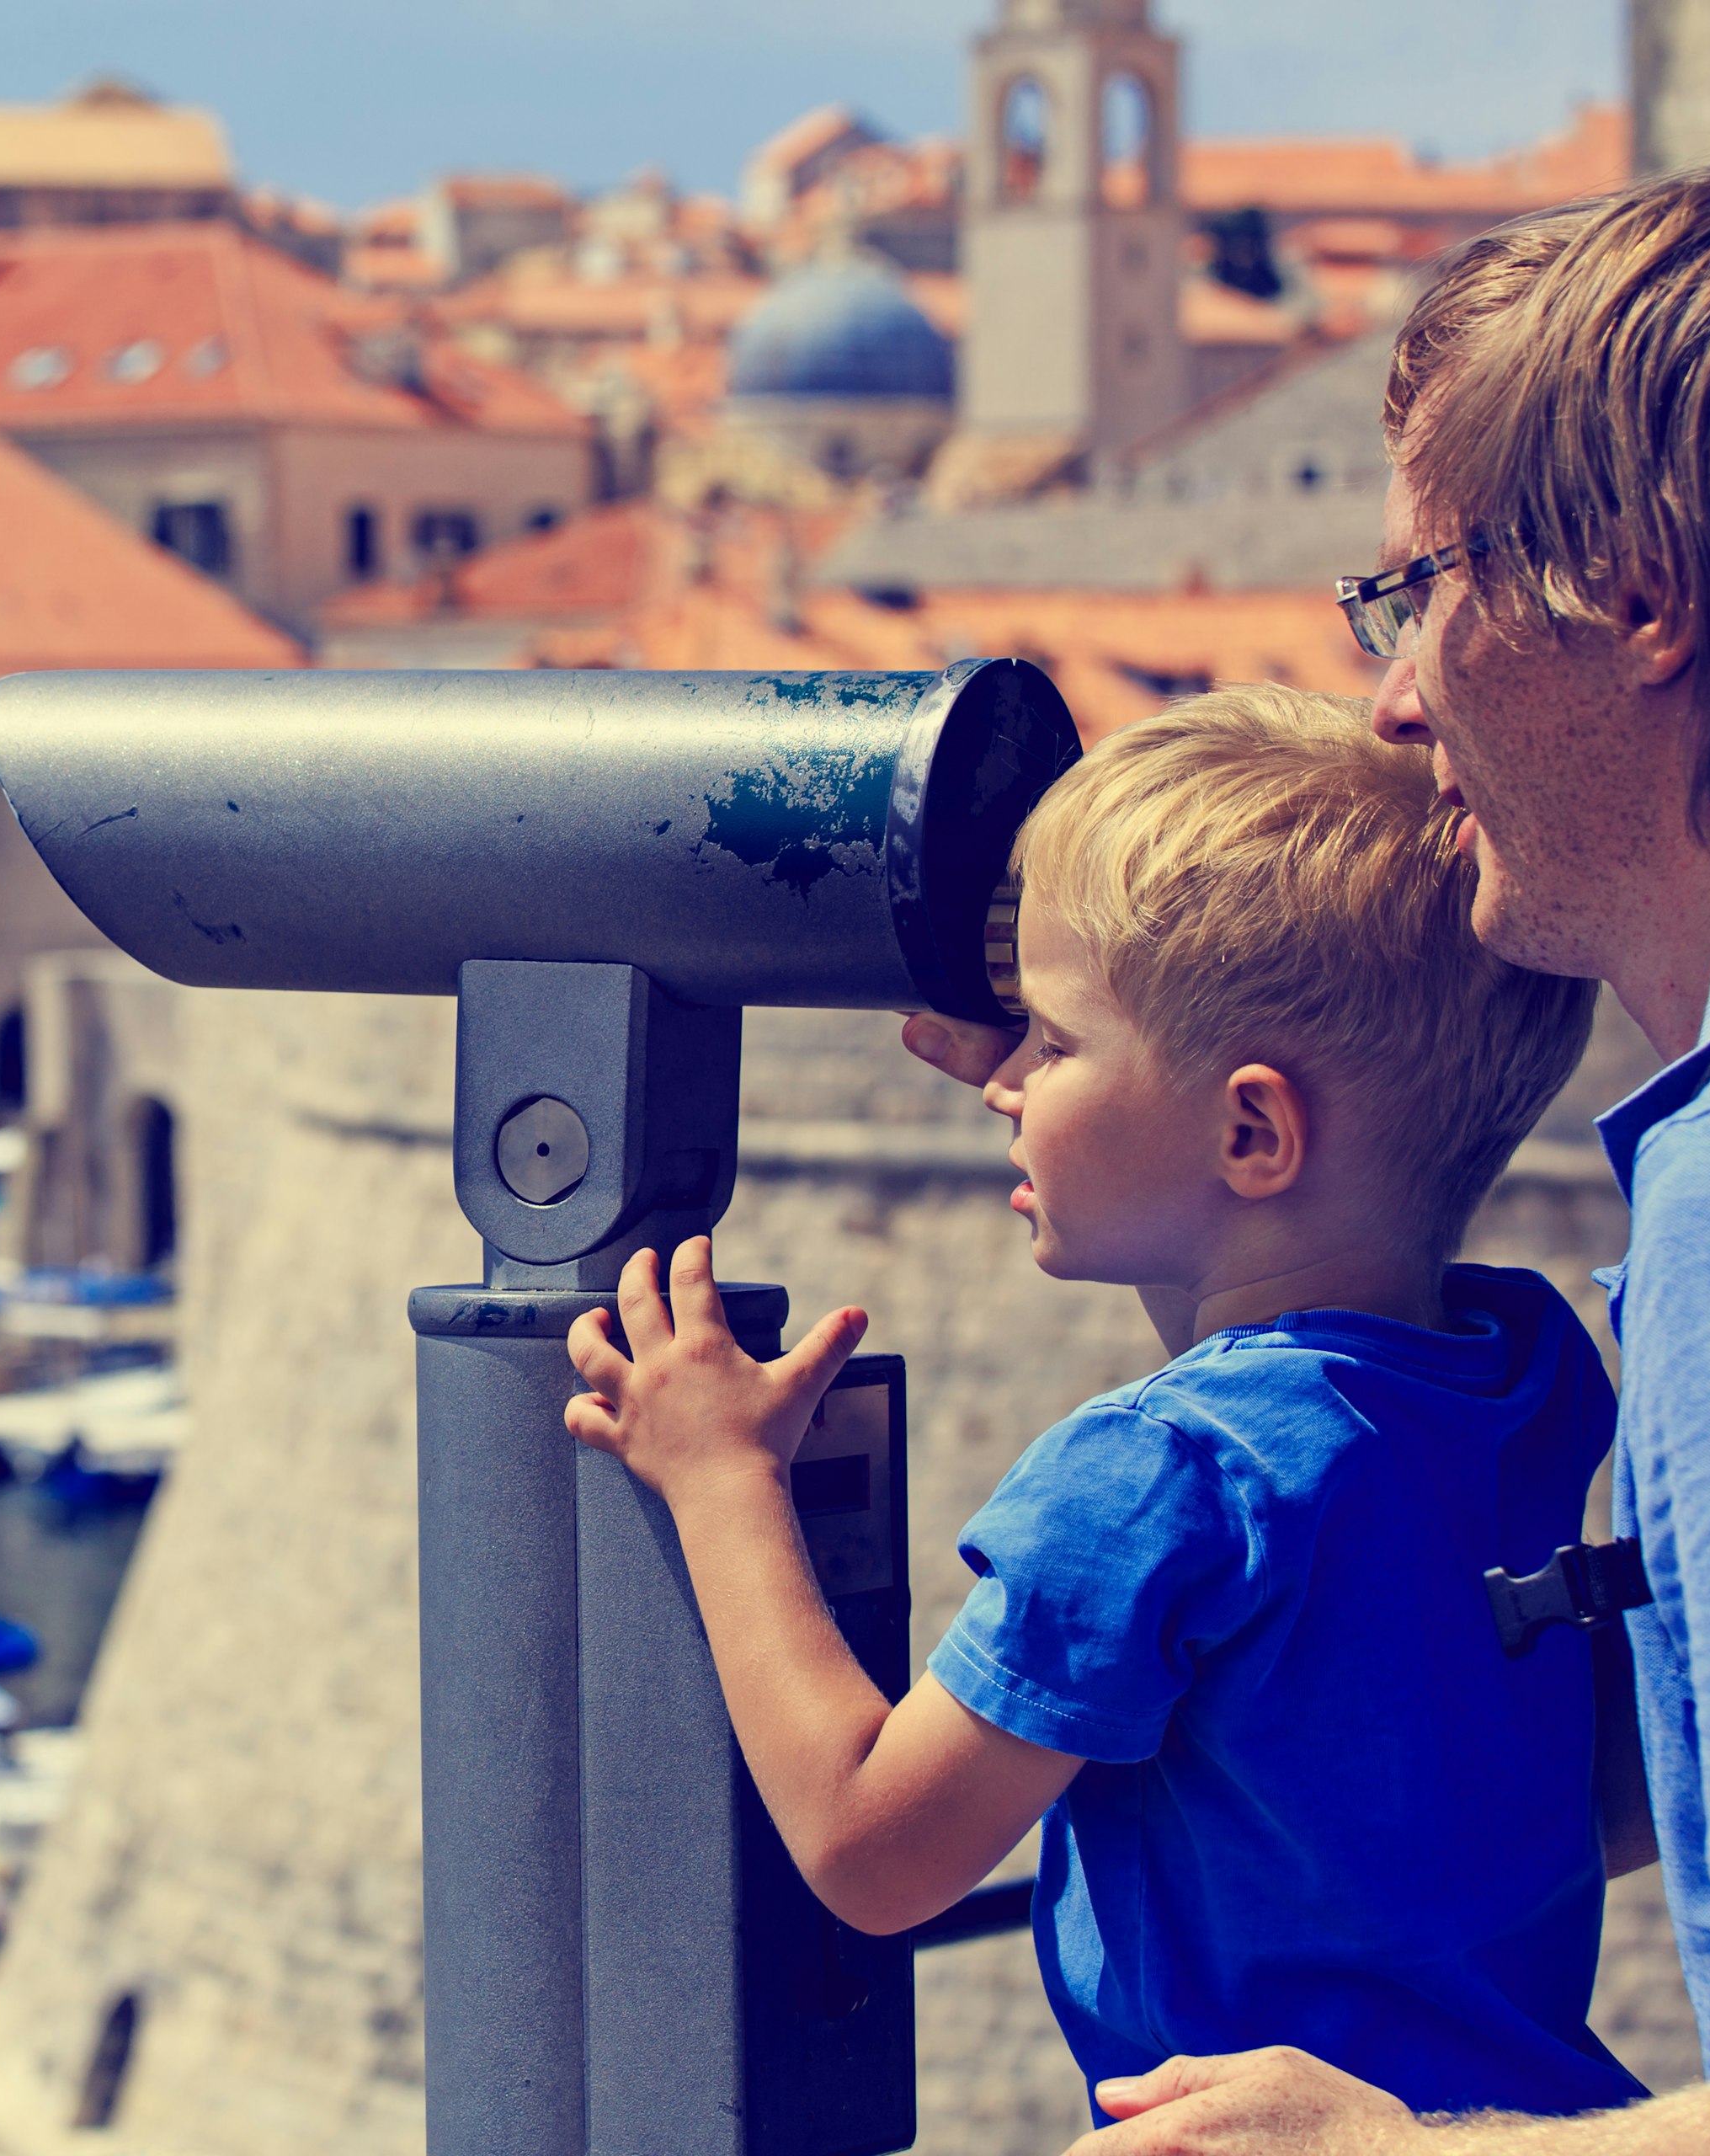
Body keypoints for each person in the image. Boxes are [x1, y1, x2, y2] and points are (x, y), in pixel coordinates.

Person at [903, 156, 1710, 2153]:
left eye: (1421, 592)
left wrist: (1401, 2153)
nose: (1397, 697)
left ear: (1642, 599)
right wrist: (1103, 1069)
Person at [569, 688, 1621, 2118]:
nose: (1006, 1080)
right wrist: (1099, 1082)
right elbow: (1262, 1319)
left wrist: (719, 1477)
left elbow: (877, 1851)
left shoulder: (1155, 1481)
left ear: (1251, 1128)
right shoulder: (1521, 1382)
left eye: (1051, 1048)